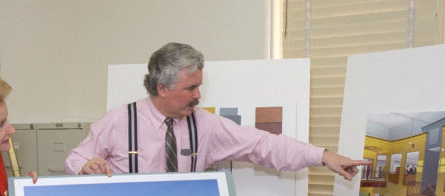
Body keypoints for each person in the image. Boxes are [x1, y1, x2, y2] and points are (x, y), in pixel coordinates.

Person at [64, 42, 370, 178]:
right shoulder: (119, 121)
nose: (198, 95)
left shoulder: (204, 125)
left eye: (199, 86)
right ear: (161, 88)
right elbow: (76, 157)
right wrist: (85, 166)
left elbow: (263, 145)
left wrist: (324, 156)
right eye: (190, 89)